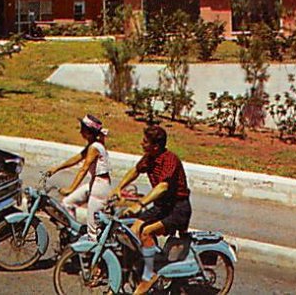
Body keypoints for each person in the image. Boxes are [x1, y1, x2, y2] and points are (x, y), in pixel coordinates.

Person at [113, 126, 192, 295]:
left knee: (146, 232)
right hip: (161, 206)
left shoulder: (170, 160)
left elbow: (163, 186)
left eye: (145, 141)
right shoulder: (150, 158)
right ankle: (141, 265)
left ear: (155, 146)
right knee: (132, 230)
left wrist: (140, 204)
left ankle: (149, 275)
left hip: (178, 208)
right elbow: (135, 170)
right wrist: (119, 187)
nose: (142, 143)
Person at [46, 114, 111, 241]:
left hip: (100, 187)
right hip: (95, 184)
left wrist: (71, 188)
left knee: (93, 230)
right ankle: (74, 236)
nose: (80, 131)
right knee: (67, 203)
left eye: (82, 129)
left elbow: (83, 169)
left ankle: (92, 256)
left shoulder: (95, 148)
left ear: (88, 132)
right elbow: (76, 158)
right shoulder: (93, 145)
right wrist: (56, 168)